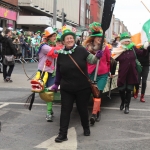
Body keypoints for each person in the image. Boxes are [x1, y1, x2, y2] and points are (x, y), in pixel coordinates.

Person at [51, 27, 103, 143]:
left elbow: (92, 60)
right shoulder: (61, 54)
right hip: (67, 88)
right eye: (67, 38)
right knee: (65, 110)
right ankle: (62, 134)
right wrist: (56, 84)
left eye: (71, 38)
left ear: (74, 39)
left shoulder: (81, 50)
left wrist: (97, 56)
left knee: (82, 109)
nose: (69, 40)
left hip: (82, 87)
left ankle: (86, 127)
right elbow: (59, 71)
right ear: (63, 41)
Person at [111, 32, 148, 114]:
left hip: (131, 73)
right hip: (122, 73)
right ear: (122, 41)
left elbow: (142, 54)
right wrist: (112, 72)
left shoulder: (133, 48)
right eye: (125, 41)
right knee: (121, 89)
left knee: (129, 90)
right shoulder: (119, 50)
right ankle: (123, 101)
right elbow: (113, 61)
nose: (127, 42)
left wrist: (145, 48)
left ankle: (127, 106)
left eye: (128, 41)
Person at [83, 22, 111, 125]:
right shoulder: (88, 48)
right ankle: (96, 110)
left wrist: (108, 71)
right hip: (90, 72)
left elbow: (108, 60)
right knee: (90, 93)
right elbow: (85, 61)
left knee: (98, 92)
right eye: (97, 37)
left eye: (101, 37)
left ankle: (95, 114)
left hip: (102, 74)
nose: (99, 39)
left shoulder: (105, 48)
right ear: (93, 38)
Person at [31, 27, 60, 122]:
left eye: (55, 35)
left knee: (49, 92)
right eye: (53, 36)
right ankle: (49, 110)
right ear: (48, 37)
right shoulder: (44, 47)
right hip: (43, 72)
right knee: (44, 92)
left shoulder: (54, 45)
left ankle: (48, 111)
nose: (55, 37)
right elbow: (54, 52)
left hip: (53, 72)